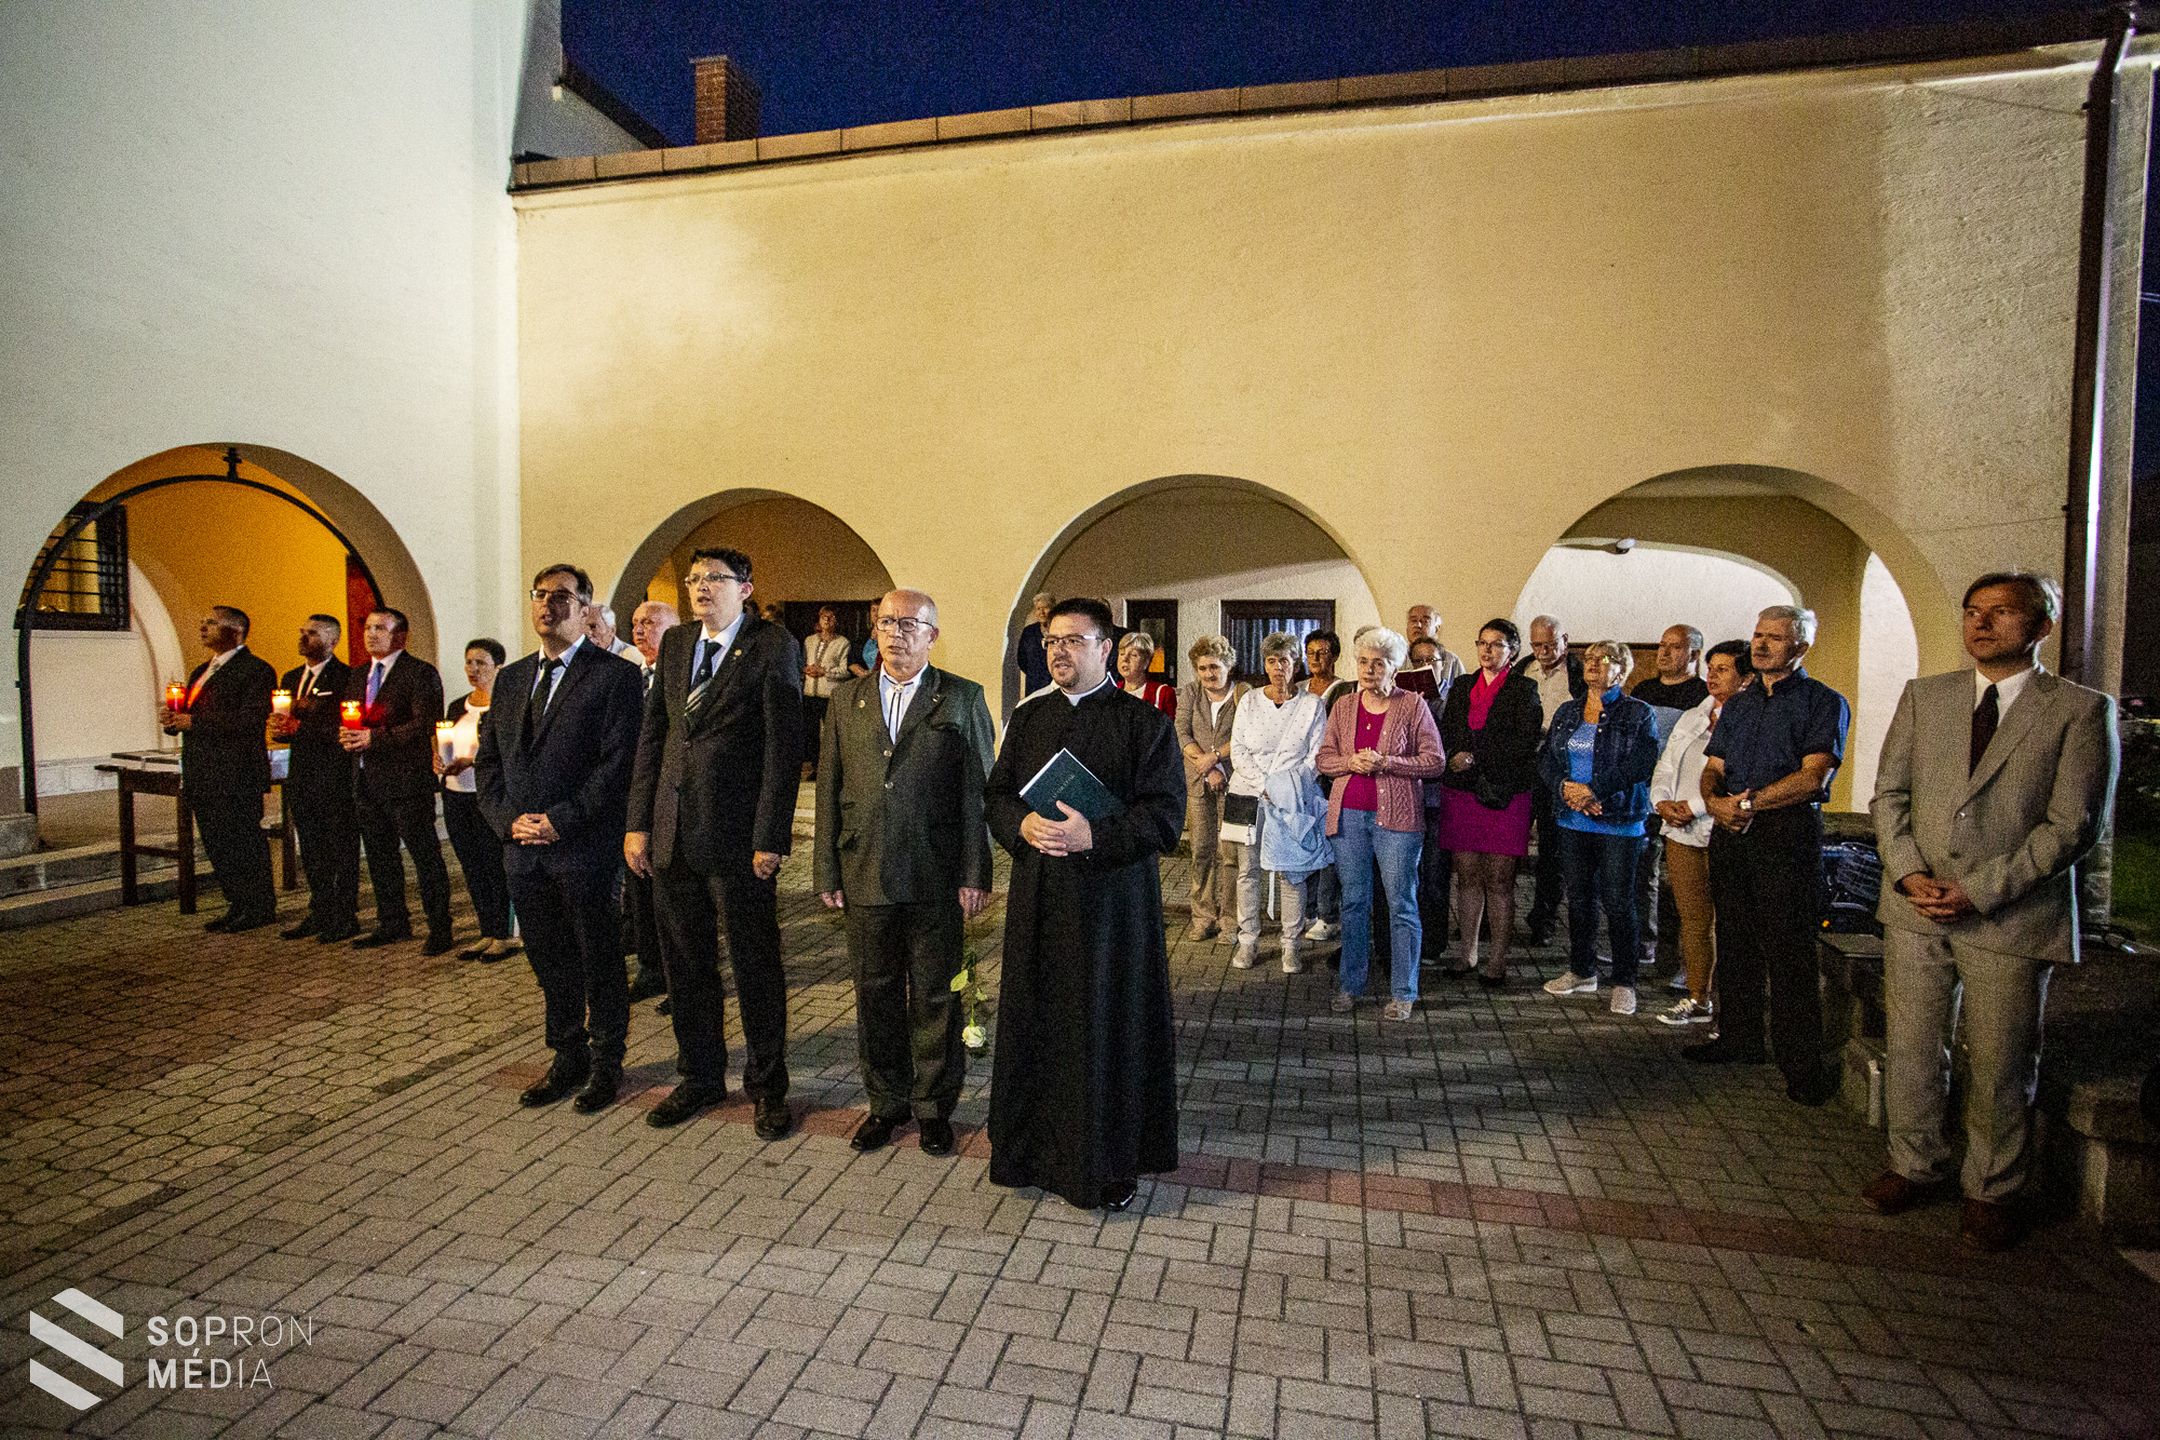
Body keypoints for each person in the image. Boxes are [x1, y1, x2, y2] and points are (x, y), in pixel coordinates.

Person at [1865, 572, 2118, 1250]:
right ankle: (1912, 1163)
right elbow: (1888, 795)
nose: (1981, 624)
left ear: (2040, 627)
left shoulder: (2078, 710)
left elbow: (2073, 825)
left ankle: (1993, 1187)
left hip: (2009, 913)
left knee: (2004, 1060)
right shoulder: (1927, 698)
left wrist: (1981, 889)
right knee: (1915, 1048)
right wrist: (1909, 871)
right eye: (1974, 612)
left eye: (2001, 613)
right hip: (1918, 908)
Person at [985, 597, 1184, 1212]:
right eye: (1051, 642)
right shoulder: (1030, 718)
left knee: (1103, 1032)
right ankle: (1030, 1153)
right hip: (1040, 901)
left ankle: (1108, 1164)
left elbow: (1165, 818)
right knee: (1039, 1022)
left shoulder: (1143, 723)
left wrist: (1093, 835)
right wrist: (1020, 827)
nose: (1059, 651)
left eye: (1073, 640)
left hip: (1112, 911)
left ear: (1106, 648)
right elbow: (997, 797)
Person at [626, 546, 804, 1138]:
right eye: (694, 579)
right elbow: (655, 735)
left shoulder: (772, 646)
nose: (701, 588)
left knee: (755, 965)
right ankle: (700, 1075)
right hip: (674, 831)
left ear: (745, 588)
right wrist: (639, 822)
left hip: (738, 838)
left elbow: (784, 748)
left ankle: (767, 1086)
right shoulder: (677, 645)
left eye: (715, 579)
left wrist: (771, 834)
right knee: (685, 964)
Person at [815, 588, 996, 1157]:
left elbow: (978, 794)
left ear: (932, 635)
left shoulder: (961, 698)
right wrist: (826, 870)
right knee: (875, 994)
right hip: (864, 867)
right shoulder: (846, 700)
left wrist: (976, 872)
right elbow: (829, 788)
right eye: (887, 622)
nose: (896, 632)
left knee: (937, 998)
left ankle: (932, 1107)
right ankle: (885, 1103)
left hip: (937, 876)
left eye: (910, 624)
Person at [480, 564, 646, 1113]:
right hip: (522, 852)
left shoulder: (613, 677)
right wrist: (507, 820)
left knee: (599, 959)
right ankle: (566, 1054)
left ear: (585, 609)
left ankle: (606, 1063)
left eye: (561, 597)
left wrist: (562, 819)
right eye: (539, 595)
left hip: (582, 849)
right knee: (549, 960)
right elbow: (490, 765)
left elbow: (618, 765)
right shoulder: (510, 679)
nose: (547, 605)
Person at [1690, 605, 1850, 1106]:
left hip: (1784, 834)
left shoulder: (1823, 702)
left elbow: (1813, 776)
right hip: (1733, 832)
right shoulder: (1739, 703)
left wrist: (1750, 803)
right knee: (1734, 938)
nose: (1760, 645)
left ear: (1801, 646)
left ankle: (1802, 1064)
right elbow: (1714, 765)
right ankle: (1739, 1039)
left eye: (1775, 638)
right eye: (1758, 635)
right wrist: (1716, 802)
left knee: (1788, 952)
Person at [1318, 627, 1444, 1019]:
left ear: (1395, 667)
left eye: (1379, 663)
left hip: (1399, 820)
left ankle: (1403, 991)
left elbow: (1435, 761)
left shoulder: (1413, 705)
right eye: (1363, 662)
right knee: (1354, 903)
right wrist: (1349, 762)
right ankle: (1350, 985)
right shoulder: (1343, 706)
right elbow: (1324, 758)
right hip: (1349, 815)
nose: (1370, 670)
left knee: (1401, 904)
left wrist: (1388, 763)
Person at [1537, 640, 1663, 1016]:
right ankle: (1582, 969)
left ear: (1621, 670)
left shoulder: (1638, 713)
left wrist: (1595, 790)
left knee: (1619, 901)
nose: (1592, 664)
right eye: (1589, 658)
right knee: (1578, 898)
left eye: (1603, 659)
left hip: (1617, 820)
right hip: (1572, 817)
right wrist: (1565, 789)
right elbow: (1547, 759)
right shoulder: (1568, 711)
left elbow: (1642, 762)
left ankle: (1625, 980)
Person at [1648, 640, 1753, 1027]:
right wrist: (1660, 801)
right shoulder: (1695, 715)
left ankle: (1733, 1008)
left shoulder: (1747, 718)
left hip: (1719, 827)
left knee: (1729, 920)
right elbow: (1668, 762)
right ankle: (1697, 995)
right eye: (1711, 668)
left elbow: (1733, 774)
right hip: (1680, 830)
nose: (1713, 675)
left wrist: (1691, 806)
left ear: (1746, 678)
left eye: (1723, 669)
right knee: (1692, 918)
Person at [339, 607, 455, 954]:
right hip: (367, 779)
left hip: (406, 780)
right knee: (379, 856)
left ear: (400, 636)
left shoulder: (418, 673)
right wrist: (348, 737)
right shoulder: (359, 675)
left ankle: (440, 927)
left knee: (424, 856)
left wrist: (376, 739)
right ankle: (393, 922)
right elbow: (350, 717)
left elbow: (423, 723)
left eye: (381, 628)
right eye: (369, 627)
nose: (372, 634)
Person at [1435, 620, 1543, 985]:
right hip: (1462, 790)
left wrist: (1474, 755)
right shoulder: (1464, 684)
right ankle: (1467, 953)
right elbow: (1448, 728)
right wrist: (1453, 755)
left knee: (1499, 878)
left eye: (1497, 644)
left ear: (1512, 649)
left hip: (1504, 792)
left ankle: (1498, 959)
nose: (1487, 650)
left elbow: (1523, 740)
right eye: (1482, 643)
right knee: (1466, 875)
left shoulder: (1523, 688)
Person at [161, 605, 278, 932]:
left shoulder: (255, 670)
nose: (203, 628)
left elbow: (249, 720)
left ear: (236, 631)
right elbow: (189, 717)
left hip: (236, 772)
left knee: (243, 840)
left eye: (211, 623)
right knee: (217, 842)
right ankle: (237, 902)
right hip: (203, 771)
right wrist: (174, 721)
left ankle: (258, 906)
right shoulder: (202, 670)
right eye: (203, 622)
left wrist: (195, 721)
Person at [1227, 632, 1329, 973]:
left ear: (1295, 663)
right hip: (1249, 794)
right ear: (1264, 663)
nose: (1278, 667)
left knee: (1292, 872)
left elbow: (1317, 756)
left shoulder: (1312, 705)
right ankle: (1248, 941)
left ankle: (1291, 944)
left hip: (1293, 798)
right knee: (1248, 871)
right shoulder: (1249, 701)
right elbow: (1238, 750)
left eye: (1284, 660)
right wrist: (1264, 785)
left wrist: (1285, 788)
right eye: (1271, 660)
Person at [1631, 624, 1711, 978]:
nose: (1663, 653)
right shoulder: (1645, 689)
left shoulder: (1701, 695)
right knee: (1642, 874)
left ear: (1694, 655)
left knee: (1676, 884)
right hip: (1647, 795)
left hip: (1688, 803)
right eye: (1661, 645)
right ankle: (1643, 944)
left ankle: (1679, 959)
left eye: (1674, 647)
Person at [271, 613, 357, 942]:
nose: (304, 638)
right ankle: (319, 910)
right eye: (302, 631)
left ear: (332, 641)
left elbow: (342, 727)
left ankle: (344, 915)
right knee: (311, 848)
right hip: (302, 775)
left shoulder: (345, 677)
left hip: (334, 776)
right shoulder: (292, 678)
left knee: (340, 848)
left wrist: (301, 728)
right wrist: (282, 729)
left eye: (312, 633)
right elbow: (289, 726)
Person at [437, 639, 516, 961]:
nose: (473, 669)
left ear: (498, 667)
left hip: (489, 796)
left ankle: (505, 934)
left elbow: (508, 752)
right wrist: (440, 759)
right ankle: (486, 929)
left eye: (481, 663)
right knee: (472, 866)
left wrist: (474, 761)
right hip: (457, 793)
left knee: (495, 865)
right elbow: (445, 739)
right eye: (469, 662)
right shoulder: (458, 706)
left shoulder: (507, 704)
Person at [1174, 634, 1246, 943]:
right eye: (1202, 668)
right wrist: (1205, 766)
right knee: (1201, 851)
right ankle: (1203, 917)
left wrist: (1216, 760)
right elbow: (1181, 730)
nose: (1208, 674)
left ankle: (1231, 920)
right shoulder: (1189, 693)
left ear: (1229, 665)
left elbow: (1246, 734)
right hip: (1198, 782)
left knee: (1230, 854)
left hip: (1237, 783)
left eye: (1214, 667)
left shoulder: (1243, 694)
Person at [1518, 615, 1584, 945]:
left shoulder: (1578, 672)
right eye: (1537, 644)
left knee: (1551, 847)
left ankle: (1543, 918)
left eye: (1550, 644)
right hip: (1522, 759)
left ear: (1565, 640)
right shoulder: (1521, 669)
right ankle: (1491, 915)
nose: (1543, 651)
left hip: (1559, 763)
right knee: (1509, 841)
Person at [625, 599, 678, 1006]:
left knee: (674, 898)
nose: (641, 630)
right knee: (639, 886)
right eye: (636, 623)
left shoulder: (683, 676)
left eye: (651, 623)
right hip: (633, 797)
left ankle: (681, 977)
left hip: (673, 800)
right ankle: (651, 966)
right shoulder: (628, 677)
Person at [1405, 635, 1454, 963]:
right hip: (1406, 798)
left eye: (1432, 661)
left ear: (1442, 663)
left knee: (1435, 874)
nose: (1426, 666)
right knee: (1406, 875)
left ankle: (1433, 944)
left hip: (1437, 799)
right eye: (1418, 661)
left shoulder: (1452, 698)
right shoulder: (1401, 699)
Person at [1300, 630, 1351, 943]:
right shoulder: (1299, 690)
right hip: (1303, 778)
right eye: (1310, 652)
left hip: (1331, 779)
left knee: (1330, 844)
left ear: (1334, 655)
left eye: (1322, 652)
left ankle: (1327, 913)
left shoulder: (1346, 691)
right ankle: (1305, 908)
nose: (1316, 658)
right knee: (1306, 841)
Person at [801, 605, 852, 777]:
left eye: (831, 617)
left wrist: (825, 671)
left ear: (836, 620)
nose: (827, 620)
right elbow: (802, 662)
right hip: (810, 693)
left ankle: (831, 768)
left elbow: (845, 671)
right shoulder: (809, 641)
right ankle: (815, 767)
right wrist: (807, 670)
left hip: (828, 695)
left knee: (830, 733)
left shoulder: (842, 643)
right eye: (824, 617)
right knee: (811, 733)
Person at [1116, 631, 1177, 717]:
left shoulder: (1163, 693)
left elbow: (1170, 728)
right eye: (1122, 654)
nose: (1125, 658)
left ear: (1146, 661)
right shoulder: (1112, 691)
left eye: (1133, 655)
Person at [1404, 605, 1465, 688]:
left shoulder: (1452, 661)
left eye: (1425, 621)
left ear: (1436, 629)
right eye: (1413, 620)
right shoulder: (1396, 658)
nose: (1418, 625)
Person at [1012, 591, 1054, 699]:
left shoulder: (1059, 631)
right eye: (1038, 609)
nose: (1042, 612)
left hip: (1055, 687)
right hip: (1034, 687)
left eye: (1046, 608)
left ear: (1053, 609)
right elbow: (1022, 660)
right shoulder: (1029, 632)